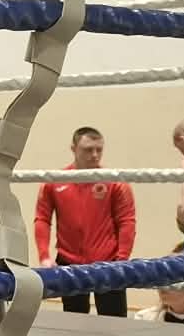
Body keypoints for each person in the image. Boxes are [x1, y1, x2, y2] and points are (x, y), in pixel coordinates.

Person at [34, 126, 136, 316]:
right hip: (69, 262)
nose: (95, 155)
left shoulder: (115, 181)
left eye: (99, 150)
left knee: (114, 323)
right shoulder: (54, 181)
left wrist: (122, 260)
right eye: (88, 150)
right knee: (74, 320)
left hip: (108, 263)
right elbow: (42, 219)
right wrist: (44, 256)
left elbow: (127, 221)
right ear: (73, 149)